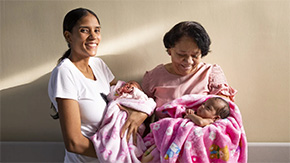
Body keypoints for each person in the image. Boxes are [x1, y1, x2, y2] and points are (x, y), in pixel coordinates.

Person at [48, 8, 147, 162]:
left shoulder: (98, 64)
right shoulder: (65, 73)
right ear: (69, 36)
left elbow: (121, 98)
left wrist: (142, 112)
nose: (93, 36)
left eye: (97, 30)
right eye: (84, 30)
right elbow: (74, 143)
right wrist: (123, 157)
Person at [141, 21, 237, 120]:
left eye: (195, 55)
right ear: (170, 50)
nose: (188, 61)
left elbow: (225, 118)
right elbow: (142, 115)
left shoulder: (211, 73)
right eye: (181, 55)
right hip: (164, 134)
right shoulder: (153, 78)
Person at [90, 80, 156, 163]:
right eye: (127, 84)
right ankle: (115, 149)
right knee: (112, 133)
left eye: (133, 85)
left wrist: (133, 90)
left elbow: (148, 102)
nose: (129, 85)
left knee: (130, 137)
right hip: (117, 114)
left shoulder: (138, 96)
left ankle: (128, 153)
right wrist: (118, 91)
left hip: (130, 116)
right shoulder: (120, 95)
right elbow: (110, 97)